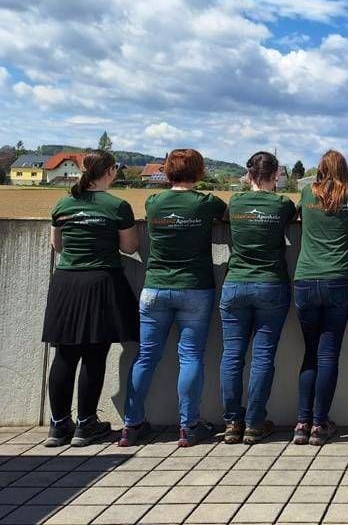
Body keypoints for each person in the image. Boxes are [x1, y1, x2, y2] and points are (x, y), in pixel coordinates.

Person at [121, 149, 226, 448]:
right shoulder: (206, 203)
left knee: (145, 357)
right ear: (200, 171)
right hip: (194, 288)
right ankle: (189, 426)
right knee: (190, 356)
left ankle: (131, 424)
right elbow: (225, 214)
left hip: (154, 288)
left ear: (167, 172)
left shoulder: (154, 202)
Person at [43, 151, 140, 448]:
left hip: (66, 281)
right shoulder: (117, 206)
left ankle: (58, 426)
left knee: (64, 354)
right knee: (95, 353)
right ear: (110, 171)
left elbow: (56, 244)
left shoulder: (63, 203)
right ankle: (86, 426)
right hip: (101, 281)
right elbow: (130, 246)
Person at [220, 151, 297, 445]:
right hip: (270, 284)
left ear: (249, 173)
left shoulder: (236, 202)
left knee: (232, 356)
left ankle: (231, 422)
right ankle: (253, 422)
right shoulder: (282, 204)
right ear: (276, 174)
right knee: (263, 356)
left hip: (235, 283)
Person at [292, 150, 348, 446]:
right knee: (328, 353)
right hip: (339, 278)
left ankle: (301, 423)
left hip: (305, 279)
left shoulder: (308, 192)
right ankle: (320, 425)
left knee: (309, 353)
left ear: (320, 168)